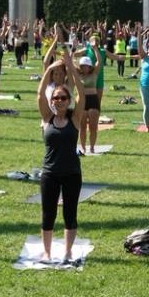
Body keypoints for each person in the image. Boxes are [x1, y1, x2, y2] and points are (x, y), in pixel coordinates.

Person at [35, 33, 84, 263]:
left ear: (68, 100)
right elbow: (39, 94)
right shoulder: (47, 118)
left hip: (72, 172)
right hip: (50, 173)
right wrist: (50, 67)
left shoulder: (75, 118)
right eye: (56, 98)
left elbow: (82, 95)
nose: (59, 101)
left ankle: (67, 251)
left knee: (69, 215)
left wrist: (71, 69)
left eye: (63, 98)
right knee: (48, 215)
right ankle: (46, 252)